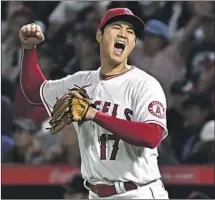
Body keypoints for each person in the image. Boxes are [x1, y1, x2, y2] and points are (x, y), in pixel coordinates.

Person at [19, 8, 169, 199]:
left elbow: (152, 136)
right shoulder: (81, 82)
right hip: (95, 193)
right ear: (99, 35)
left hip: (138, 192)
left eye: (130, 32)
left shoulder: (144, 84)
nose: (124, 33)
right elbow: (34, 92)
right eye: (116, 27)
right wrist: (29, 50)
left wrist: (94, 114)